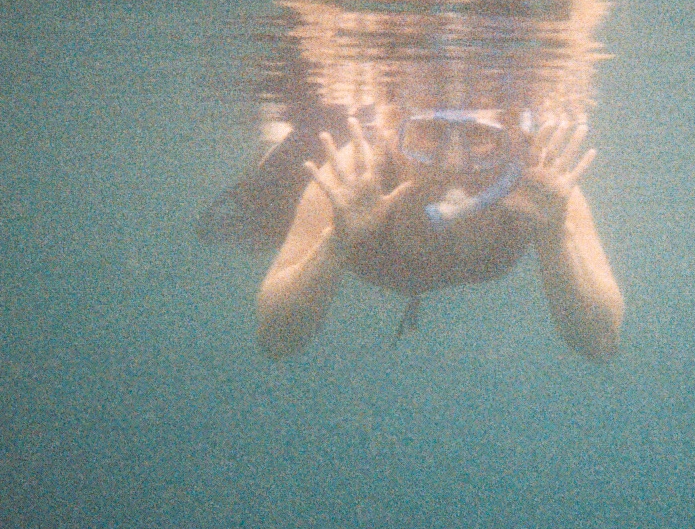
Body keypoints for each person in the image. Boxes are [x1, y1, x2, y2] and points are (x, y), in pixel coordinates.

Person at [256, 109, 623, 361]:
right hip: (292, 195)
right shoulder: (356, 175)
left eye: (481, 136)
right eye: (429, 132)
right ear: (389, 132)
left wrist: (557, 239)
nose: (453, 164)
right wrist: (335, 243)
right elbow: (275, 340)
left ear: (512, 139)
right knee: (248, 219)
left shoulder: (537, 185)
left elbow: (602, 342)